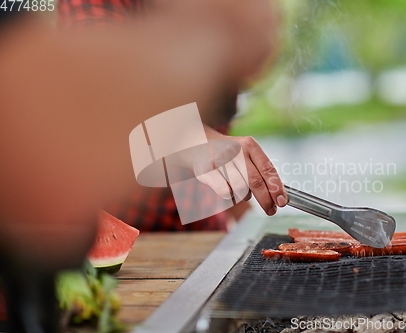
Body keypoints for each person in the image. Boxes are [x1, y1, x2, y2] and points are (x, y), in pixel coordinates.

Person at [0, 1, 286, 331]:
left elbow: (215, 145)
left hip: (204, 249)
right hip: (126, 266)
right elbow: (92, 92)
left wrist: (250, 223)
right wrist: (213, 34)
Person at [57, 0, 282, 231]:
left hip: (207, 232)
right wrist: (198, 144)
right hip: (123, 232)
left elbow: (217, 138)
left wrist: (248, 216)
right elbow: (99, 86)